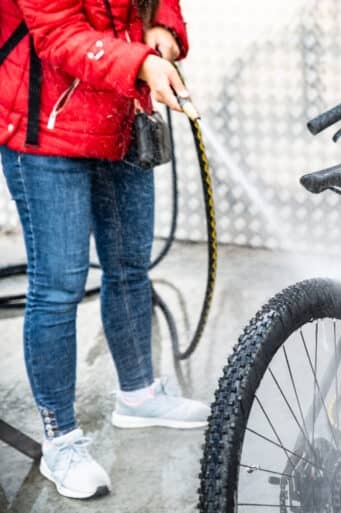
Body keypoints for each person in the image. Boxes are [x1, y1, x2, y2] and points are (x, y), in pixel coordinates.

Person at [0, 0, 210, 500]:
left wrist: (163, 29)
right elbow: (57, 33)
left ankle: (139, 395)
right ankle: (61, 441)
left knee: (130, 266)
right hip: (46, 129)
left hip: (119, 114)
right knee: (58, 288)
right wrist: (140, 64)